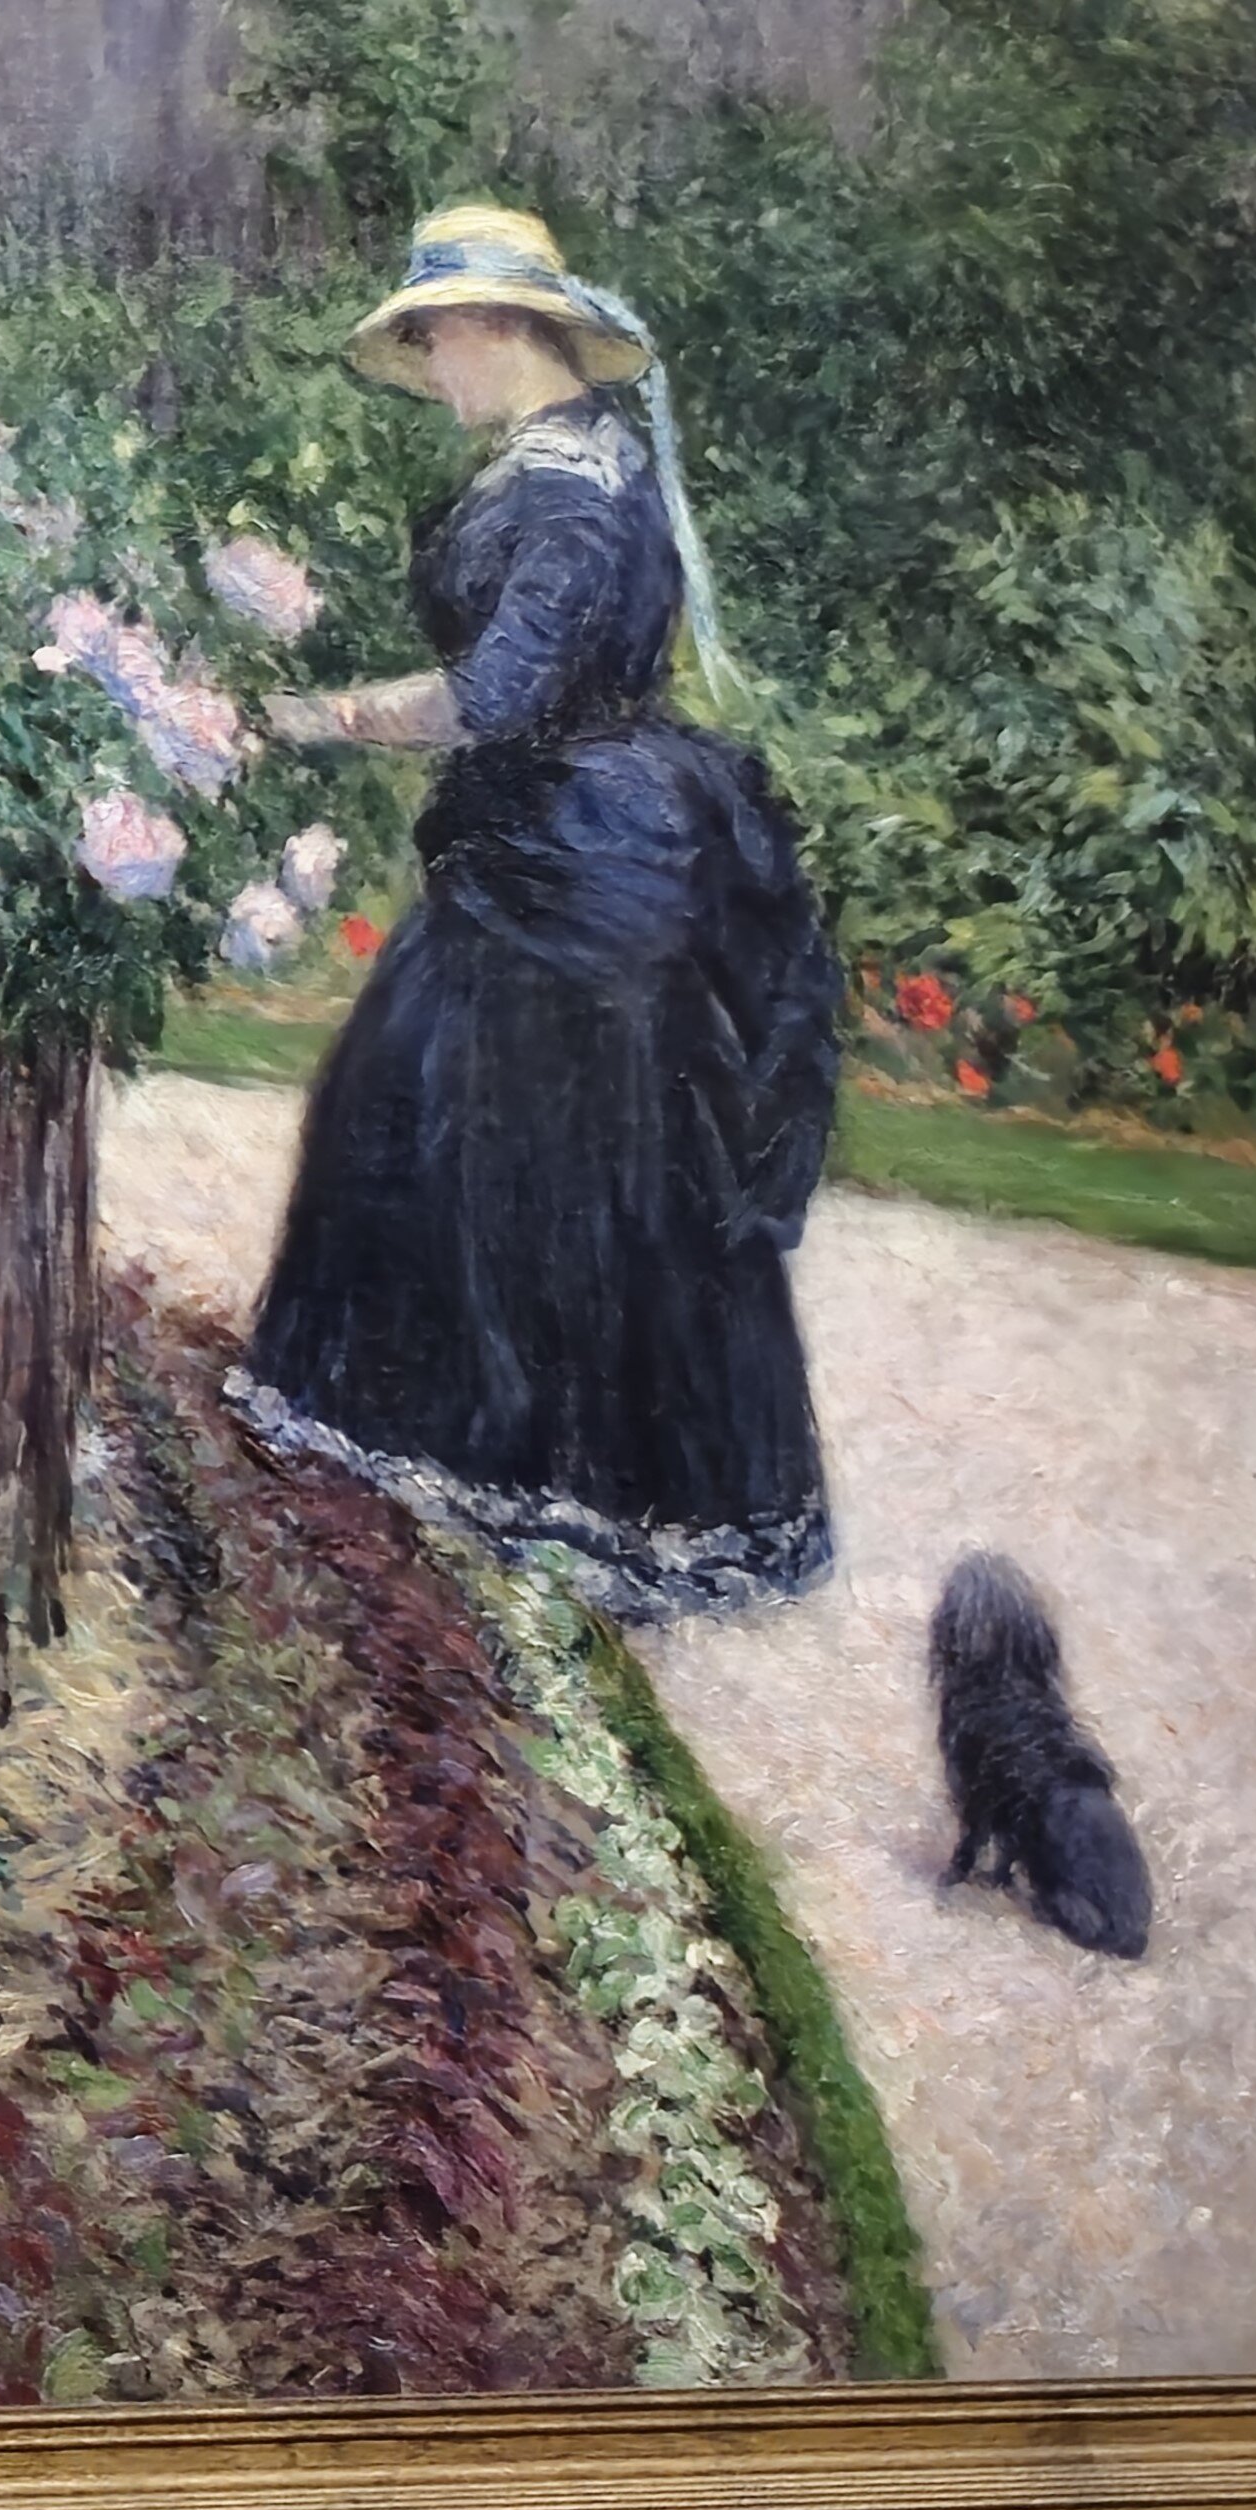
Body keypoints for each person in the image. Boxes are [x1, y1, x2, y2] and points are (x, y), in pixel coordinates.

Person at [234, 204, 843, 1617]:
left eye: (434, 335)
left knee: (536, 1163)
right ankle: (448, 1452)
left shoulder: (567, 494)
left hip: (579, 871)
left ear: (504, 327)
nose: (429, 364)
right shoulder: (564, 467)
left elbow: (491, 698)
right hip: (550, 849)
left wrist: (309, 717)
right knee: (430, 1128)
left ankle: (569, 1491)